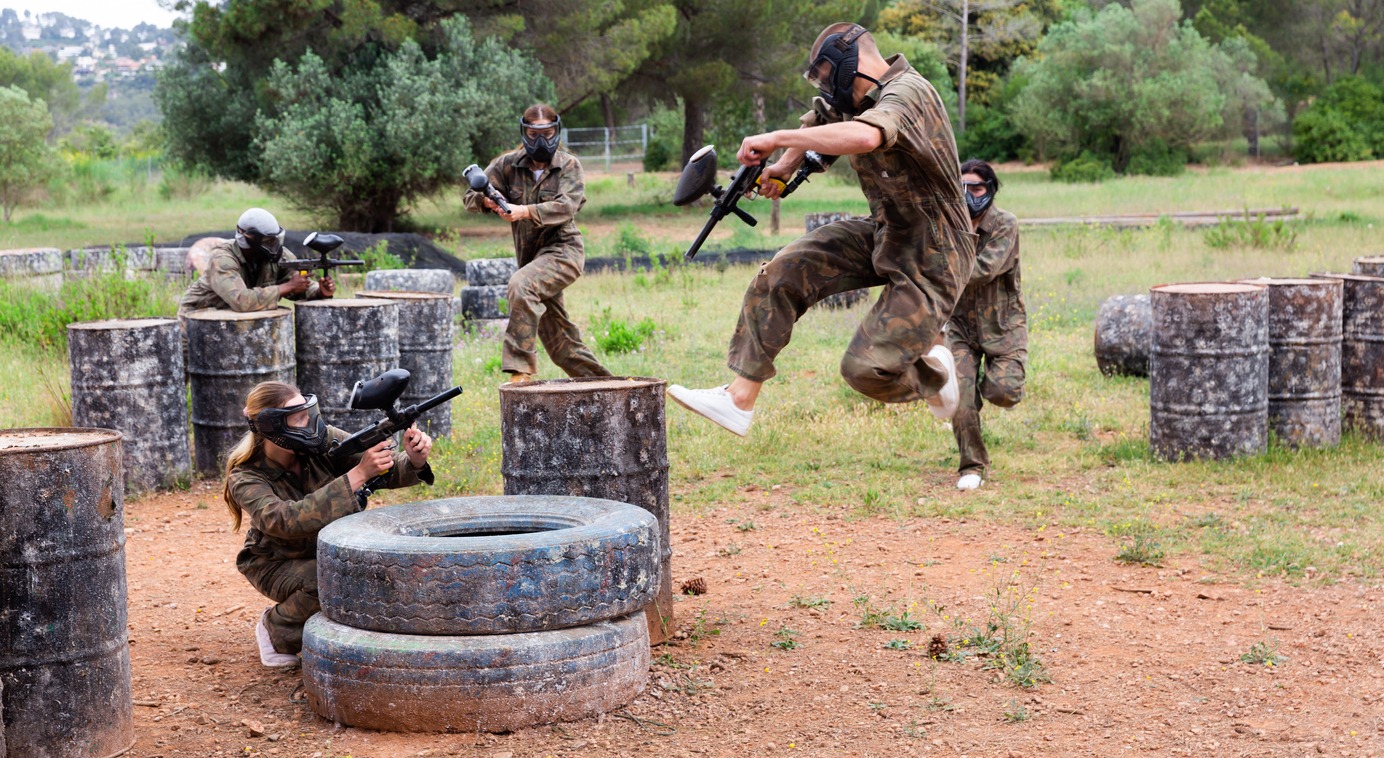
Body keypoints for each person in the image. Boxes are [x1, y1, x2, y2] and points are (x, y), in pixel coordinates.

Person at [668, 23, 978, 437]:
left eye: (829, 74)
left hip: (937, 248)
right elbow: (821, 118)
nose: (828, 87)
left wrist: (776, 137)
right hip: (887, 229)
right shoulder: (854, 97)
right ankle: (739, 399)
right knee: (784, 271)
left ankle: (936, 379)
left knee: (864, 370)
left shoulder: (907, 93)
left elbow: (866, 136)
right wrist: (782, 166)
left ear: (852, 59)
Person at [224, 381, 434, 667]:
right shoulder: (245, 476)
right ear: (271, 425)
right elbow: (285, 520)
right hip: (274, 561)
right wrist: (357, 476)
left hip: (326, 548)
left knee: (375, 571)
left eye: (307, 412)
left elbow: (384, 468)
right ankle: (276, 631)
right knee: (326, 580)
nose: (308, 422)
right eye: (297, 417)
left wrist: (413, 459)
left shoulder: (323, 442)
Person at [463, 103, 611, 382]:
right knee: (562, 345)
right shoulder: (508, 165)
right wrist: (487, 200)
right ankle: (611, 388)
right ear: (524, 132)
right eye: (533, 134)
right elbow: (469, 197)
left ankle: (520, 372)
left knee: (521, 284)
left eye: (547, 132)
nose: (540, 140)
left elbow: (566, 206)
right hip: (532, 259)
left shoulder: (569, 166)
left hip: (564, 252)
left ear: (557, 131)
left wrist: (523, 211)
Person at [948, 160, 1026, 490]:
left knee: (1003, 392)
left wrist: (941, 266)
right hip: (960, 327)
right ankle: (972, 465)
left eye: (976, 188)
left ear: (990, 190)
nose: (969, 195)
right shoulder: (948, 224)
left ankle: (988, 388)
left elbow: (983, 270)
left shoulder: (1005, 225)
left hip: (1003, 326)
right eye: (962, 188)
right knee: (959, 397)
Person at [177, 208, 336, 316]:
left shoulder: (276, 255)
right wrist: (286, 287)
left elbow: (297, 285)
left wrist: (319, 291)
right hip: (196, 322)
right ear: (249, 238)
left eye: (275, 239)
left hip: (233, 324)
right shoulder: (222, 258)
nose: (274, 245)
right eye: (268, 240)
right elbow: (241, 301)